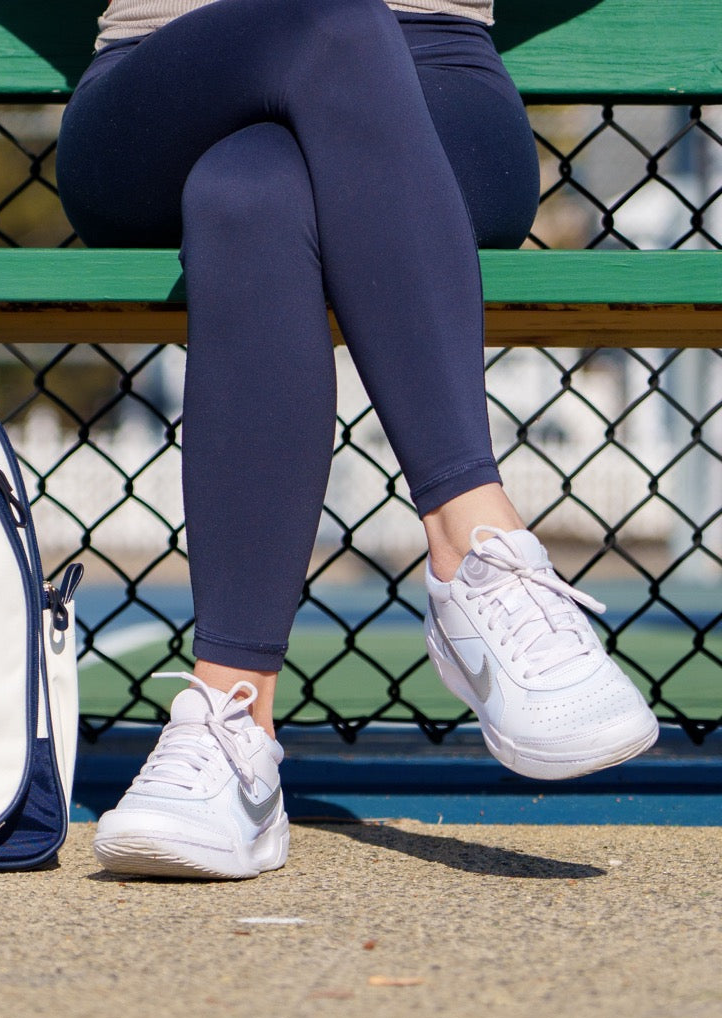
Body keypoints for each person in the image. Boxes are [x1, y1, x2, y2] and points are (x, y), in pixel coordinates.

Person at [54, 0, 659, 881]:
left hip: (431, 88)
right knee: (332, 18)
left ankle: (232, 728)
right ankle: (473, 547)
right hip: (171, 78)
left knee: (251, 191)